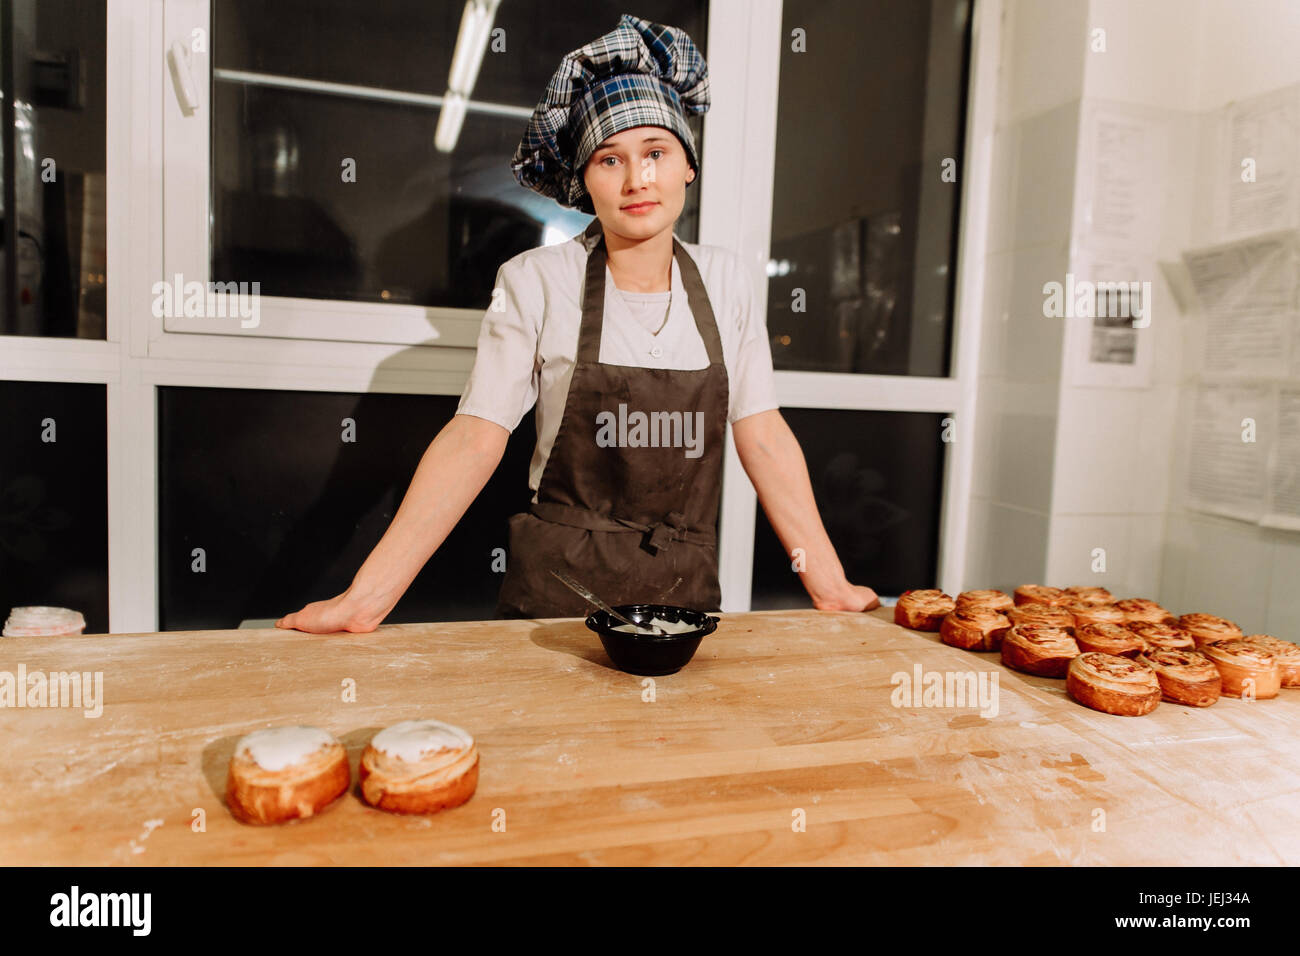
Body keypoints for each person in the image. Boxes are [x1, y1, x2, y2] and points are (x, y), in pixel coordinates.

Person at [277, 14, 878, 633]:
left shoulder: (727, 283)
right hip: (555, 602)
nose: (637, 179)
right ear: (584, 180)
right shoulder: (534, 281)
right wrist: (366, 599)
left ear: (687, 165)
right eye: (609, 159)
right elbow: (475, 438)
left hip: (682, 597)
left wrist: (828, 583)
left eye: (656, 152)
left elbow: (764, 435)